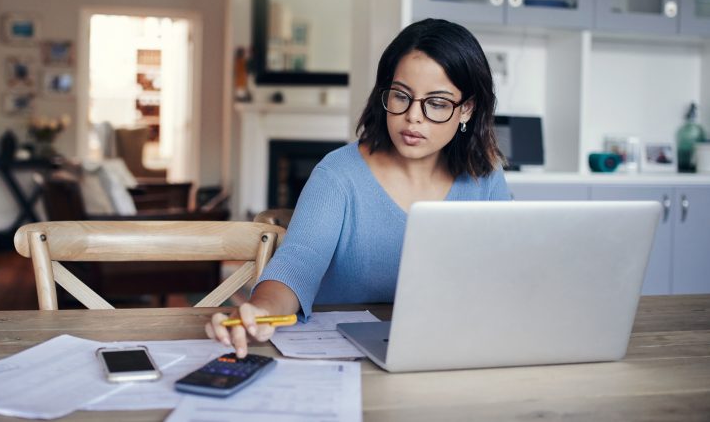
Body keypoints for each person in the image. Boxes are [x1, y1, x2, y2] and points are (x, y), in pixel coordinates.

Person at [206, 18, 511, 357]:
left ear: (466, 109)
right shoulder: (338, 175)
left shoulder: (485, 177)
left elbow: (507, 274)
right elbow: (296, 265)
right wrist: (262, 310)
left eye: (437, 103)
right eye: (401, 96)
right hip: (343, 358)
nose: (413, 117)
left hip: (447, 351)